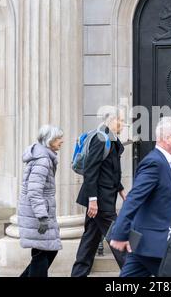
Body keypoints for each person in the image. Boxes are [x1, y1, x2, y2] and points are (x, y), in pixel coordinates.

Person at [109, 117, 171, 277]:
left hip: (149, 245)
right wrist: (119, 234)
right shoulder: (154, 163)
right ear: (168, 138)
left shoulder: (168, 163)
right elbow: (133, 199)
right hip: (154, 245)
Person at [71, 107, 127, 277]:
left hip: (103, 197)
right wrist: (93, 200)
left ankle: (78, 274)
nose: (123, 124)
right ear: (111, 120)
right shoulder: (101, 139)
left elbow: (110, 171)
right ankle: (134, 272)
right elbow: (91, 170)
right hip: (100, 201)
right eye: (121, 120)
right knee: (117, 236)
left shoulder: (110, 138)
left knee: (90, 239)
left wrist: (122, 190)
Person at [18, 125, 64, 277]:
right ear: (49, 140)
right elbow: (34, 191)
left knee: (45, 251)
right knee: (42, 252)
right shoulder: (43, 160)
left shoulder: (44, 156)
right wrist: (42, 216)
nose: (61, 141)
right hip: (37, 214)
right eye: (58, 138)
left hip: (38, 211)